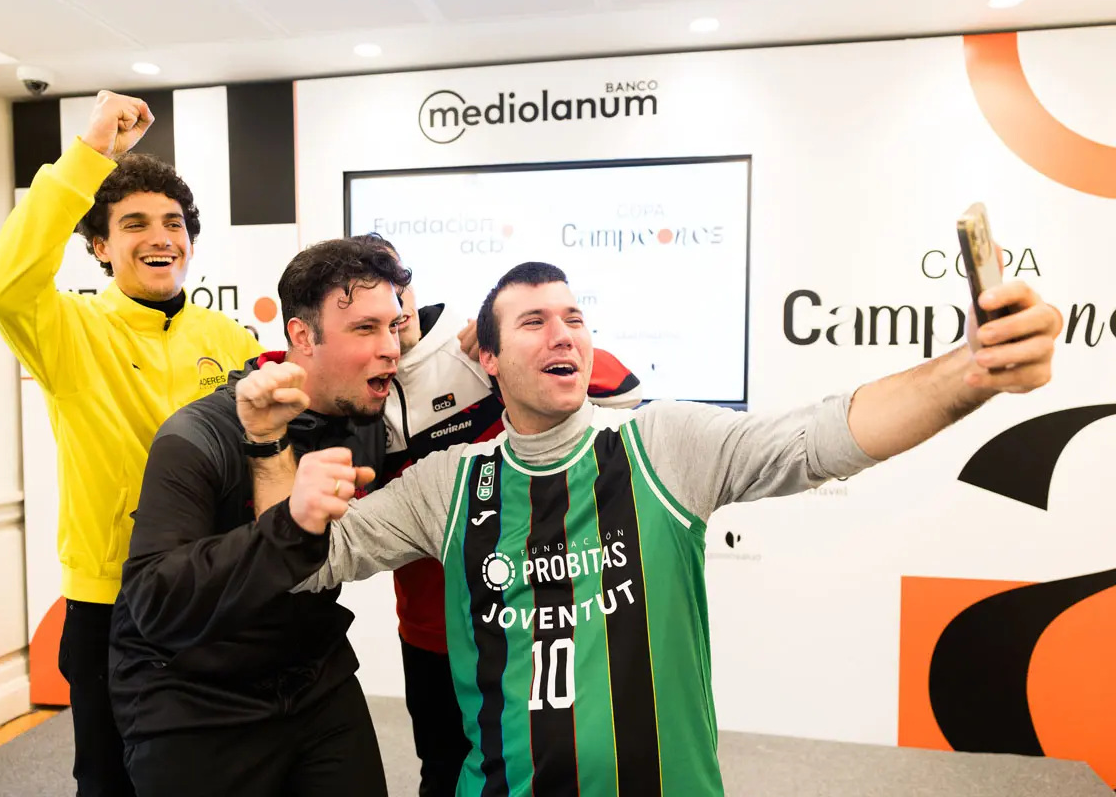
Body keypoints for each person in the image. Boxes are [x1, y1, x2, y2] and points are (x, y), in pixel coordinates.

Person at [263, 260, 1060, 797]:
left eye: (575, 317)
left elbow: (822, 437)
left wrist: (970, 371)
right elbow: (304, 559)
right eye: (533, 321)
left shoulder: (662, 445)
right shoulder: (450, 483)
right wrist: (270, 446)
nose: (564, 333)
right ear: (491, 362)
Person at [0, 90, 261, 797]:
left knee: (220, 775)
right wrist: (90, 156)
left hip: (213, 590)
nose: (160, 237)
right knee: (110, 780)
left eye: (173, 223)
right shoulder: (69, 330)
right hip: (110, 602)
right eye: (133, 224)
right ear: (100, 247)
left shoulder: (230, 340)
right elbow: (4, 285)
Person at [107, 237, 412, 797]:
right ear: (302, 336)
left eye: (393, 326)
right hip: (193, 695)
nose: (391, 347)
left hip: (312, 675)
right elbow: (155, 601)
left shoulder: (364, 415)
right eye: (365, 329)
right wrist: (288, 522)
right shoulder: (199, 435)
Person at [356, 234, 643, 796]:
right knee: (443, 768)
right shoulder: (360, 386)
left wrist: (508, 353)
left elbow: (624, 392)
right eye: (372, 298)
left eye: (397, 282)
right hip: (428, 632)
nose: (393, 301)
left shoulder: (471, 352)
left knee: (535, 765)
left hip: (519, 618)